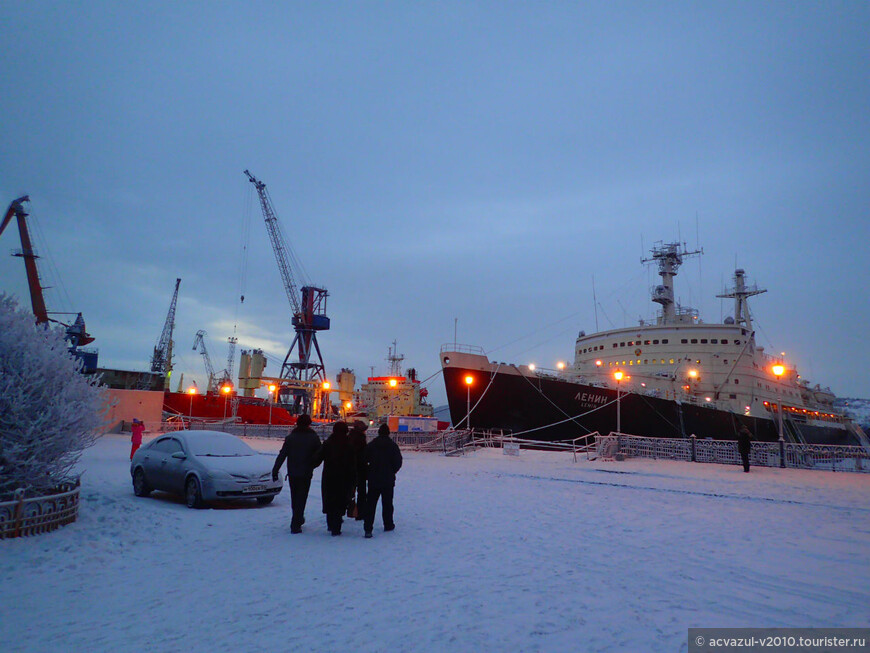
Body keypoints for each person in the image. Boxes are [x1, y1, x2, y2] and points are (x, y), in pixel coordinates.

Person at [272, 414, 323, 534]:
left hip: (293, 473)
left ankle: (297, 519)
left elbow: (282, 454)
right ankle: (296, 522)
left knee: (294, 497)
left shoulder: (291, 437)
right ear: (309, 423)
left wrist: (275, 470)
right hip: (306, 473)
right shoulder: (313, 437)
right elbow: (320, 454)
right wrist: (313, 465)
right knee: (302, 497)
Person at [364, 423, 403, 538]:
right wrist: (392, 471)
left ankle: (368, 528)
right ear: (388, 433)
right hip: (388, 479)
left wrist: (369, 471)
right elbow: (398, 462)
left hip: (374, 479)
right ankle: (388, 524)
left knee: (370, 504)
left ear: (378, 432)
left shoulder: (371, 445)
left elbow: (364, 459)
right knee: (387, 504)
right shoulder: (393, 446)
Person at [320, 421, 356, 536]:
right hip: (344, 477)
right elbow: (353, 464)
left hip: (329, 476)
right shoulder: (349, 445)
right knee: (341, 500)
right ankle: (337, 526)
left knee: (329, 499)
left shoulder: (328, 443)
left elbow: (317, 457)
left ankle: (330, 524)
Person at [347, 420, 369, 520]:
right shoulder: (361, 439)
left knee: (350, 490)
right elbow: (364, 455)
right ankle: (360, 512)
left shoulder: (349, 437)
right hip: (360, 468)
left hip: (350, 468)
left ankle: (351, 509)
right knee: (362, 491)